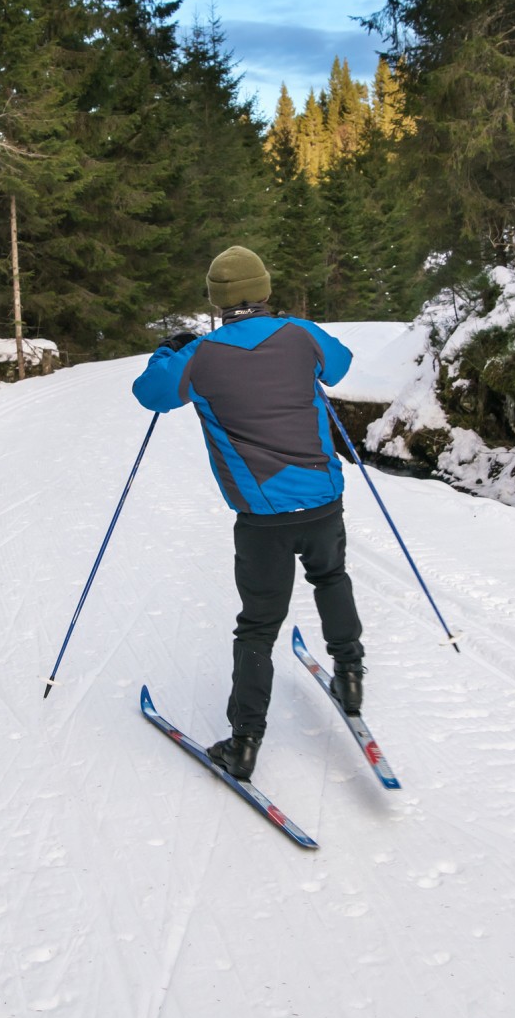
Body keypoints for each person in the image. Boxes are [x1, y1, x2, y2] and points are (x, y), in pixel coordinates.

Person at [132, 245, 365, 782]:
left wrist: (169, 351)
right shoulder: (301, 334)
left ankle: (244, 744)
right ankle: (350, 676)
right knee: (332, 577)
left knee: (259, 625)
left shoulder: (201, 357)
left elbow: (151, 395)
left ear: (218, 301)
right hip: (325, 499)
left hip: (263, 518)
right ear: (263, 291)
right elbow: (342, 364)